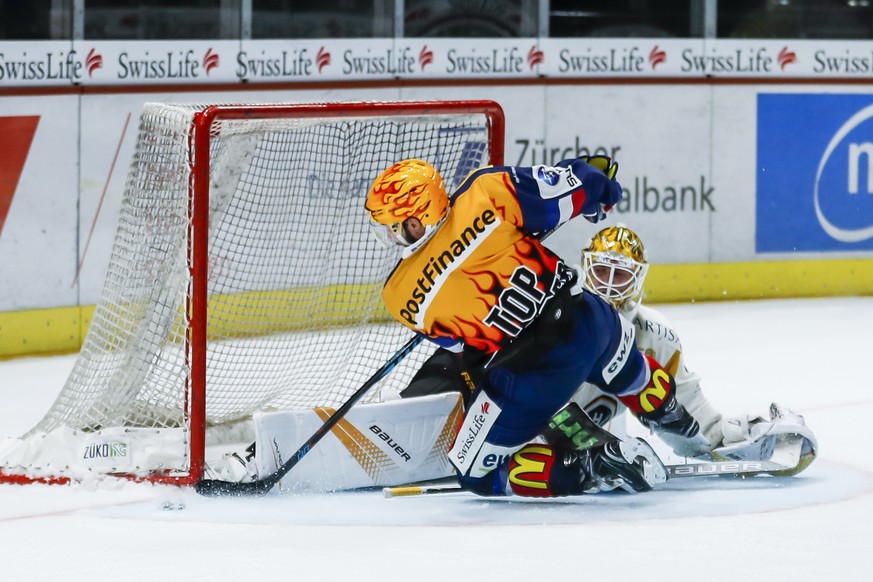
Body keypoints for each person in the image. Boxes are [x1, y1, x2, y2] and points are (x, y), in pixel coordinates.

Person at [365, 156, 700, 497]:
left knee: (474, 474)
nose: (395, 237)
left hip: (534, 376)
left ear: (423, 213)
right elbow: (578, 183)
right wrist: (604, 193)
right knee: (631, 372)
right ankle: (676, 418)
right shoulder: (485, 190)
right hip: (593, 323)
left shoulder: (401, 295)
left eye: (400, 225)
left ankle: (590, 467)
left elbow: (465, 349)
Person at [401, 224, 818, 476]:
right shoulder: (560, 309)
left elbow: (687, 411)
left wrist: (725, 437)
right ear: (585, 266)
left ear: (639, 280)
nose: (609, 285)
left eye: (621, 276)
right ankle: (408, 411)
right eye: (601, 270)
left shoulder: (656, 335)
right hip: (508, 414)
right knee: (459, 361)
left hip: (558, 447)